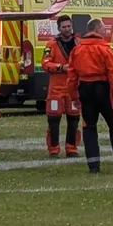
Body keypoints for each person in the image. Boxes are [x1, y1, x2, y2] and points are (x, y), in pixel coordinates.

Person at [70, 18, 113, 173]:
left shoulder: (77, 50)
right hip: (103, 89)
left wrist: (74, 96)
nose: (105, 32)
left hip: (85, 89)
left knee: (89, 128)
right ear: (97, 30)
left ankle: (93, 166)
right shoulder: (105, 49)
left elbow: (72, 76)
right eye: (103, 29)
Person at [40, 14, 82, 156]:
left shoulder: (79, 43)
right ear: (58, 28)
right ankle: (53, 149)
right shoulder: (51, 44)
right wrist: (60, 67)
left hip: (73, 89)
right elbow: (45, 63)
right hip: (56, 90)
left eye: (69, 26)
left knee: (74, 119)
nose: (67, 29)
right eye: (64, 27)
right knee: (53, 120)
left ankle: (71, 148)